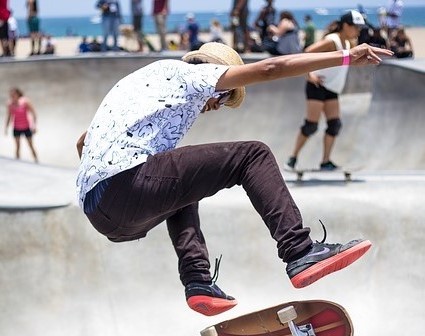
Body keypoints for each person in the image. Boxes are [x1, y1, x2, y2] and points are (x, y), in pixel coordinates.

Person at [75, 41, 392, 317]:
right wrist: (347, 57)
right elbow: (272, 68)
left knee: (185, 181)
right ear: (216, 76)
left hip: (101, 212)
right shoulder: (194, 74)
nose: (216, 106)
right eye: (226, 97)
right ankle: (299, 251)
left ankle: (197, 280)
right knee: (253, 154)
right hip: (129, 185)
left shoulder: (144, 85)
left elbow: (82, 143)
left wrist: (112, 193)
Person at [286, 10, 366, 171]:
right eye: (356, 27)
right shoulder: (332, 40)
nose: (359, 31)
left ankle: (325, 161)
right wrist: (309, 75)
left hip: (331, 89)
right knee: (311, 126)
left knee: (334, 125)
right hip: (317, 86)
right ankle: (292, 159)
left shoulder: (349, 43)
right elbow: (306, 53)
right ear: (345, 26)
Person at [5, 87, 38, 162]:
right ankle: (17, 161)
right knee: (17, 146)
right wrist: (6, 128)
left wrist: (34, 126)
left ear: (18, 94)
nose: (12, 96)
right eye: (11, 95)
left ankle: (36, 160)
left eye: (13, 95)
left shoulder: (25, 101)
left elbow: (34, 114)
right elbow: (9, 116)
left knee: (30, 145)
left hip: (26, 127)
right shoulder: (10, 104)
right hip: (16, 127)